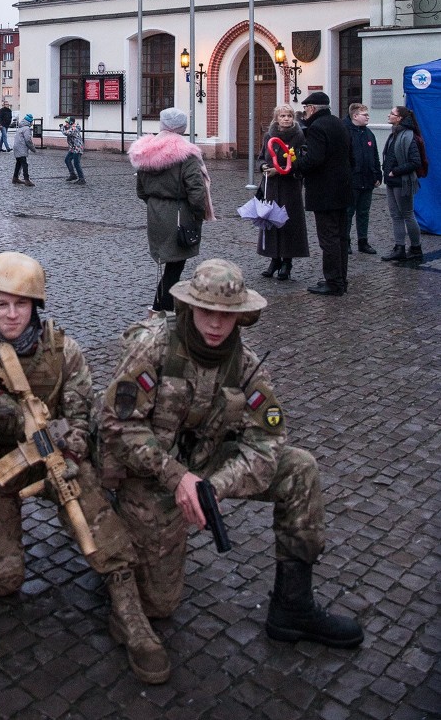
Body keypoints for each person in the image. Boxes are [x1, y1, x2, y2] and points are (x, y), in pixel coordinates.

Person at [99, 258, 364, 665]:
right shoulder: (152, 346)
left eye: (227, 315)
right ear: (189, 307)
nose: (216, 324)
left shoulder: (246, 365)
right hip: (151, 475)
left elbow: (268, 440)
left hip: (208, 467)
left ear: (241, 317)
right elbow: (117, 424)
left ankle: (293, 607)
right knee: (160, 605)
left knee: (300, 469)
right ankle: (119, 524)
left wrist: (215, 486)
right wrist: (177, 477)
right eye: (207, 311)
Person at [0, 252, 170, 684]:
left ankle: (129, 611)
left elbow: (82, 418)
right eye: (1, 304)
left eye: (21, 304)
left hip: (52, 457)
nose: (10, 314)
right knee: (2, 578)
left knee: (93, 513)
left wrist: (67, 443)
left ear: (35, 307)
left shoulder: (63, 351)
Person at [128, 107, 214, 311]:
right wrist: (197, 214)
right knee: (175, 266)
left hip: (156, 211)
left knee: (170, 264)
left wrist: (155, 204)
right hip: (179, 213)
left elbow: (141, 190)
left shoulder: (145, 151)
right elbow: (196, 189)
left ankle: (163, 305)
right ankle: (161, 307)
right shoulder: (187, 154)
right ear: (182, 128)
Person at [296, 92, 353, 297]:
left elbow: (314, 159)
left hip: (324, 191)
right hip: (343, 189)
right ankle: (340, 278)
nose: (305, 113)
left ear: (312, 108)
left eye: (306, 109)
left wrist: (296, 165)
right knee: (341, 237)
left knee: (328, 238)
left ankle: (333, 282)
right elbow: (350, 156)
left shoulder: (317, 128)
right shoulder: (339, 124)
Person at [257, 105, 308, 281]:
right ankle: (274, 259)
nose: (286, 119)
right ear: (276, 118)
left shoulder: (299, 136)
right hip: (271, 187)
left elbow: (301, 160)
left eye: (289, 116)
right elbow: (262, 157)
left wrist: (280, 170)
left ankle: (287, 261)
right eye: (282, 116)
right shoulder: (269, 135)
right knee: (271, 222)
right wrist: (263, 166)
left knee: (288, 222)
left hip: (290, 186)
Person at [380, 106, 424, 264]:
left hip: (402, 181)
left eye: (392, 113)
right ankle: (399, 248)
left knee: (407, 214)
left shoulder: (408, 136)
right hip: (391, 181)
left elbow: (415, 162)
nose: (389, 115)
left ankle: (415, 248)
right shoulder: (395, 133)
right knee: (395, 215)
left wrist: (395, 171)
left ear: (399, 118)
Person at [343, 103, 382, 255]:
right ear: (355, 116)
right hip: (352, 180)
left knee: (364, 212)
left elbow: (375, 155)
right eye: (364, 114)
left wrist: (378, 174)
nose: (367, 117)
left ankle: (363, 241)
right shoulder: (346, 132)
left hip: (368, 179)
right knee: (348, 213)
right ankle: (345, 241)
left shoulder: (369, 133)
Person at [11, 113, 36, 186]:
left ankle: (15, 178)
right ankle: (27, 180)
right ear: (29, 121)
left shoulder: (21, 127)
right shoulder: (27, 129)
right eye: (32, 121)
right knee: (24, 164)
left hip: (17, 147)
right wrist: (33, 149)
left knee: (18, 163)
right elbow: (28, 140)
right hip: (21, 148)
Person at [62, 116, 86, 184]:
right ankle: (72, 175)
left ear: (70, 122)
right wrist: (65, 127)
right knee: (67, 160)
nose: (65, 123)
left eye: (67, 122)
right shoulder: (71, 127)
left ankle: (82, 179)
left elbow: (66, 133)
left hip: (77, 148)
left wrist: (62, 128)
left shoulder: (74, 128)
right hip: (73, 148)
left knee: (76, 163)